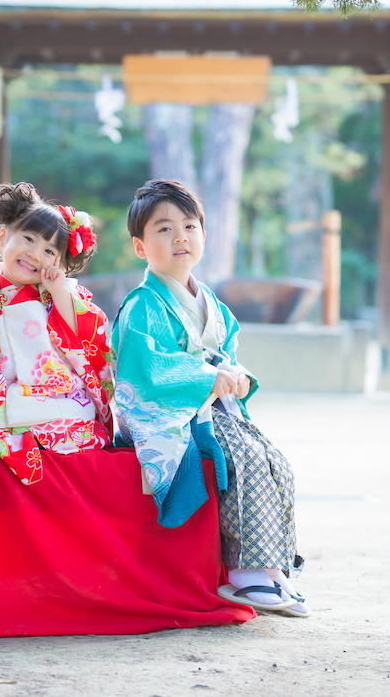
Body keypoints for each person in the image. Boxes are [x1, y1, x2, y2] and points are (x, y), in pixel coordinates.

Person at [112, 178, 309, 617]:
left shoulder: (213, 303)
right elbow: (143, 369)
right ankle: (246, 575)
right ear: (139, 247)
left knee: (271, 456)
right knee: (240, 455)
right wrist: (206, 376)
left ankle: (275, 570)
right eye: (163, 228)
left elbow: (228, 354)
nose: (179, 236)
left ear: (203, 233)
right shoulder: (143, 304)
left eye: (189, 225)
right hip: (168, 413)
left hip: (209, 407)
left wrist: (235, 376)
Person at [0, 182, 113, 486]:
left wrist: (59, 293)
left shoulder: (63, 292)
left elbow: (85, 338)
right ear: (4, 236)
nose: (34, 254)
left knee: (80, 440)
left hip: (59, 397)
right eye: (28, 239)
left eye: (48, 250)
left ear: (59, 262)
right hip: (4, 398)